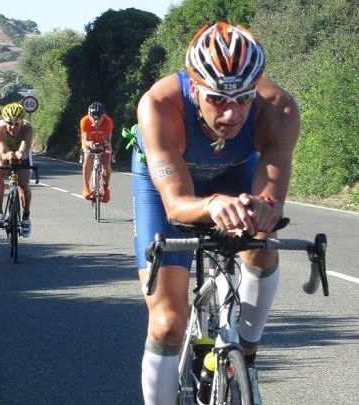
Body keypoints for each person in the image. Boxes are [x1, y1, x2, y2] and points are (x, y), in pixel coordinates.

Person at [132, 21, 300, 404]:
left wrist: (260, 209)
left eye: (243, 99)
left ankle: (248, 355)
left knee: (260, 240)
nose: (231, 113)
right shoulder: (160, 104)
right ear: (194, 87)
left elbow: (270, 200)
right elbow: (175, 203)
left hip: (233, 172)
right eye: (218, 100)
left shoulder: (279, 109)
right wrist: (210, 204)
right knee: (167, 324)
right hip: (167, 184)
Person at [0, 102, 34, 237]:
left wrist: (20, 154)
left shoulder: (27, 129)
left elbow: (24, 148)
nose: (13, 127)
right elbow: (3, 151)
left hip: (21, 152)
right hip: (2, 151)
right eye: (10, 123)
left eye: (17, 124)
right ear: (5, 122)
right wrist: (7, 155)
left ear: (22, 122)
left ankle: (26, 216)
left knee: (24, 184)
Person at [80, 101, 113, 202]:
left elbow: (108, 139)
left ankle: (105, 188)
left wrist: (105, 145)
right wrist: (90, 144)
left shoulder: (108, 121)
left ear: (103, 116)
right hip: (89, 143)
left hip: (103, 143)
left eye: (99, 118)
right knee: (88, 156)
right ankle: (86, 187)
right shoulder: (84, 121)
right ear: (89, 115)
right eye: (93, 118)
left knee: (106, 163)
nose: (96, 121)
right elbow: (85, 140)